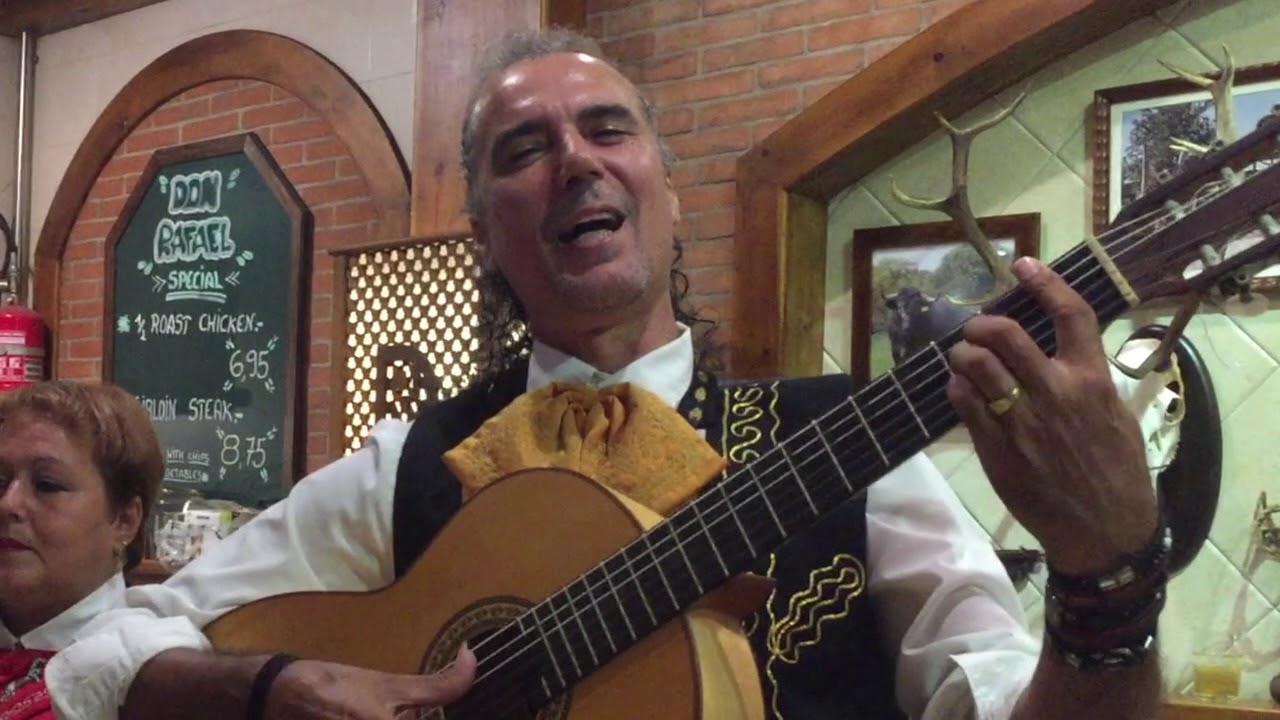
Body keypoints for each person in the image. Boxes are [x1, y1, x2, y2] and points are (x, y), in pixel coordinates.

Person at [54, 28, 1179, 720]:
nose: (575, 161)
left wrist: (1108, 578)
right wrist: (272, 688)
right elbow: (101, 653)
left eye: (607, 129)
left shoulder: (850, 445)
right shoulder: (406, 469)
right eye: (524, 148)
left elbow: (1003, 696)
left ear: (667, 194)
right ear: (484, 233)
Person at [0, 381, 207, 719]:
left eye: (47, 485)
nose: (8, 503)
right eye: (0, 481)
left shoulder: (154, 667)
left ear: (124, 520)